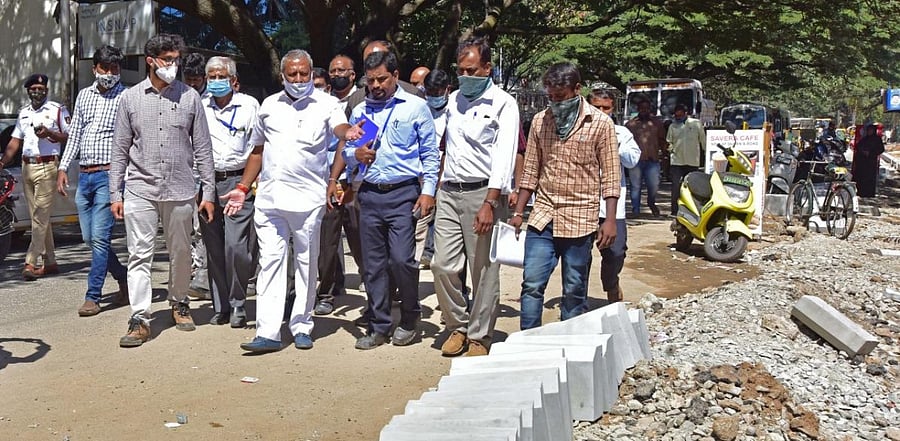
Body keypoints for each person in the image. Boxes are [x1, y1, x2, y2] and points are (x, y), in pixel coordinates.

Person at [222, 49, 364, 353]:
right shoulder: (269, 106)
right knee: (270, 262)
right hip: (271, 200)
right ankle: (269, 332)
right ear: (282, 76)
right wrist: (243, 187)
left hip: (308, 201)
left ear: (311, 73)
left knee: (305, 263)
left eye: (303, 74)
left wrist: (348, 132)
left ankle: (301, 325)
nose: (298, 80)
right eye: (292, 75)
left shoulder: (327, 104)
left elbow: (339, 128)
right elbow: (258, 151)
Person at [110, 34, 216, 348]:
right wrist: (115, 194)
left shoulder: (190, 98)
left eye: (176, 60)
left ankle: (179, 302)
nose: (173, 66)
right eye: (167, 60)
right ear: (151, 60)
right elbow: (119, 149)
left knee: (181, 252)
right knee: (139, 254)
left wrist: (208, 192)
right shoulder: (129, 99)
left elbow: (204, 149)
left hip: (181, 189)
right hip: (140, 189)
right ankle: (140, 318)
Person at [331, 50, 440, 350]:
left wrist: (428, 191)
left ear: (395, 76)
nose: (376, 85)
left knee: (402, 259)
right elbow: (346, 153)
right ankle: (379, 325)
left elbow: (430, 154)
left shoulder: (416, 108)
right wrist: (356, 154)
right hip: (369, 194)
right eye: (371, 80)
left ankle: (409, 317)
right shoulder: (360, 112)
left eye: (382, 79)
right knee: (373, 265)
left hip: (404, 193)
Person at [509, 62, 620, 330]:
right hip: (543, 216)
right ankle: (528, 344)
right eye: (551, 96)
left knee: (574, 288)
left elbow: (612, 174)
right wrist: (518, 213)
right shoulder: (540, 121)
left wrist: (610, 219)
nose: (555, 102)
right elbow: (531, 170)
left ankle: (568, 345)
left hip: (580, 218)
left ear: (577, 89)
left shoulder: (601, 124)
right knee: (532, 284)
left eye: (561, 96)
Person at [431, 37, 519, 356]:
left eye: (471, 70)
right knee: (442, 264)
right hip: (450, 192)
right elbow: (438, 144)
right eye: (460, 69)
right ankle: (456, 324)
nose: (465, 75)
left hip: (483, 193)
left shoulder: (503, 104)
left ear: (486, 68)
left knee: (483, 268)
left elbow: (505, 156)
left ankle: (480, 334)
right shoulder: (453, 100)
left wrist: (490, 203)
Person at [55, 45, 129, 316]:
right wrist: (63, 168)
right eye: (105, 68)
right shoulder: (84, 96)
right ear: (95, 69)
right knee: (89, 238)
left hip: (109, 176)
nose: (110, 74)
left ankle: (92, 296)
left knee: (99, 237)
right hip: (84, 175)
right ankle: (123, 276)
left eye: (115, 69)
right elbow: (75, 135)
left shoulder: (126, 97)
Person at [198, 56, 260, 328]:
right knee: (214, 248)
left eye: (220, 76)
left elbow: (259, 148)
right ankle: (221, 306)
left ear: (233, 79)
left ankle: (238, 303)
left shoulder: (249, 106)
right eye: (210, 76)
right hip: (208, 184)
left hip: (239, 183)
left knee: (236, 246)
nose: (215, 81)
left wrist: (248, 184)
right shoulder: (200, 107)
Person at [0, 73, 69, 281]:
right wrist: (2, 162)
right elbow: (14, 142)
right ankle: (50, 262)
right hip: (27, 167)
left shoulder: (57, 110)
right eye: (33, 89)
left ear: (46, 90)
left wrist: (49, 133)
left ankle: (31, 261)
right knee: (39, 218)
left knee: (39, 215)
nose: (37, 91)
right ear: (28, 91)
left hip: (48, 165)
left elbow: (69, 135)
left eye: (41, 88)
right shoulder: (24, 113)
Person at [313, 54, 365, 316]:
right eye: (332, 71)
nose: (335, 75)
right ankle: (326, 293)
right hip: (329, 183)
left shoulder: (364, 101)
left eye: (340, 70)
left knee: (360, 239)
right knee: (327, 242)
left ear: (353, 74)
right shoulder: (321, 105)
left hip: (355, 182)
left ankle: (376, 286)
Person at [588, 89, 640, 304]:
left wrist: (613, 145)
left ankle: (611, 285)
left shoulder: (622, 133)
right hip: (582, 204)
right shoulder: (578, 130)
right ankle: (575, 301)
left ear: (613, 109)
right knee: (579, 256)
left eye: (606, 108)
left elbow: (632, 160)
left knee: (616, 252)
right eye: (596, 107)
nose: (601, 112)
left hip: (611, 207)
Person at [416, 69, 451, 270]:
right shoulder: (420, 109)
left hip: (446, 173)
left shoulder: (455, 110)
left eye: (438, 92)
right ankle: (425, 253)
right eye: (430, 92)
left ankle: (431, 252)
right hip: (423, 172)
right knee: (424, 216)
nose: (434, 96)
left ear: (447, 90)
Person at [344, 40, 424, 117]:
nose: (374, 62)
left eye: (380, 58)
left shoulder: (414, 96)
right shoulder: (355, 101)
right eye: (369, 59)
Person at [625, 97, 666, 216]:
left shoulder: (657, 123)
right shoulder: (630, 125)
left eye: (647, 108)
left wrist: (665, 154)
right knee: (635, 186)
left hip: (652, 160)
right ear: (638, 109)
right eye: (642, 108)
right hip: (635, 161)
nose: (644, 110)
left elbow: (662, 140)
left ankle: (651, 202)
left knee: (653, 185)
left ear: (650, 109)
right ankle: (635, 210)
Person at [666, 103, 705, 216]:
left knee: (693, 187)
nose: (678, 117)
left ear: (686, 113)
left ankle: (693, 211)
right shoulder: (673, 126)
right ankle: (674, 211)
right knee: (676, 187)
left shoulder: (696, 124)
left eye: (680, 115)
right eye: (676, 116)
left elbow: (703, 141)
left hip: (692, 161)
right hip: (677, 161)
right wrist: (670, 149)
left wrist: (707, 154)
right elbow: (669, 141)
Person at [852, 124, 885, 198]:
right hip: (862, 162)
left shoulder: (877, 139)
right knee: (861, 177)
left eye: (871, 130)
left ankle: (869, 193)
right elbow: (857, 146)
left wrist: (871, 153)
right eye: (868, 130)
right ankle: (861, 192)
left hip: (871, 162)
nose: (869, 132)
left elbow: (881, 149)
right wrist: (862, 151)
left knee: (869, 179)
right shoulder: (865, 138)